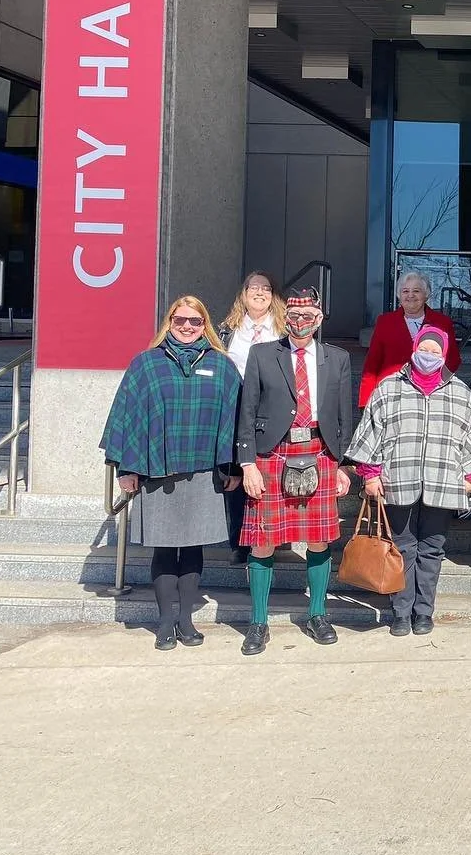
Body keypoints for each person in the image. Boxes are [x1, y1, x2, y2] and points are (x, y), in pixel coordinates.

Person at [101, 297, 242, 650]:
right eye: (181, 320)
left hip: (204, 471)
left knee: (193, 550)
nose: (188, 327)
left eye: (195, 322)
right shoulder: (146, 365)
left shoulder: (222, 366)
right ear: (169, 321)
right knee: (164, 551)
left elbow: (237, 420)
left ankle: (186, 620)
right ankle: (164, 622)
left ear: (205, 324)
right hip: (156, 470)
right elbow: (127, 416)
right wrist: (127, 469)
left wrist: (233, 467)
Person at [347, 325, 471, 637]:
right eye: (424, 349)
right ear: (414, 349)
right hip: (398, 480)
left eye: (435, 351)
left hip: (442, 483)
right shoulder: (389, 388)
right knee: (402, 549)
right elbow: (371, 432)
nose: (428, 355)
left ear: (443, 355)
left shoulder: (460, 393)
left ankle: (424, 612)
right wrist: (371, 475)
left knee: (432, 549)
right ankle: (400, 612)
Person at [236, 286, 355, 656]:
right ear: (285, 319)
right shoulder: (261, 354)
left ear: (319, 319)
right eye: (294, 317)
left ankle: (317, 614)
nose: (300, 323)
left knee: (319, 539)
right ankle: (258, 622)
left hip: (319, 451)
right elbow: (246, 411)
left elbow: (343, 417)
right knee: (263, 540)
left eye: (308, 317)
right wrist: (247, 463)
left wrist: (341, 465)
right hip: (272, 453)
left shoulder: (337, 358)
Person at [216, 270, 285, 562]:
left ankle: (272, 535)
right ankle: (238, 543)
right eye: (254, 288)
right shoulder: (227, 329)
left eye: (266, 288)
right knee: (237, 477)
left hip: (271, 409)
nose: (260, 293)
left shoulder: (283, 329)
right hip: (235, 409)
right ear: (243, 294)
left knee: (270, 472)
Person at [358, 271, 462, 407]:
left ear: (426, 294)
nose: (410, 295)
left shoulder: (442, 323)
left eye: (416, 291)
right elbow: (372, 364)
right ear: (399, 296)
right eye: (405, 291)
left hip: (429, 395)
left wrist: (437, 382)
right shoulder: (385, 322)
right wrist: (365, 402)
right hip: (391, 395)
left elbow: (453, 360)